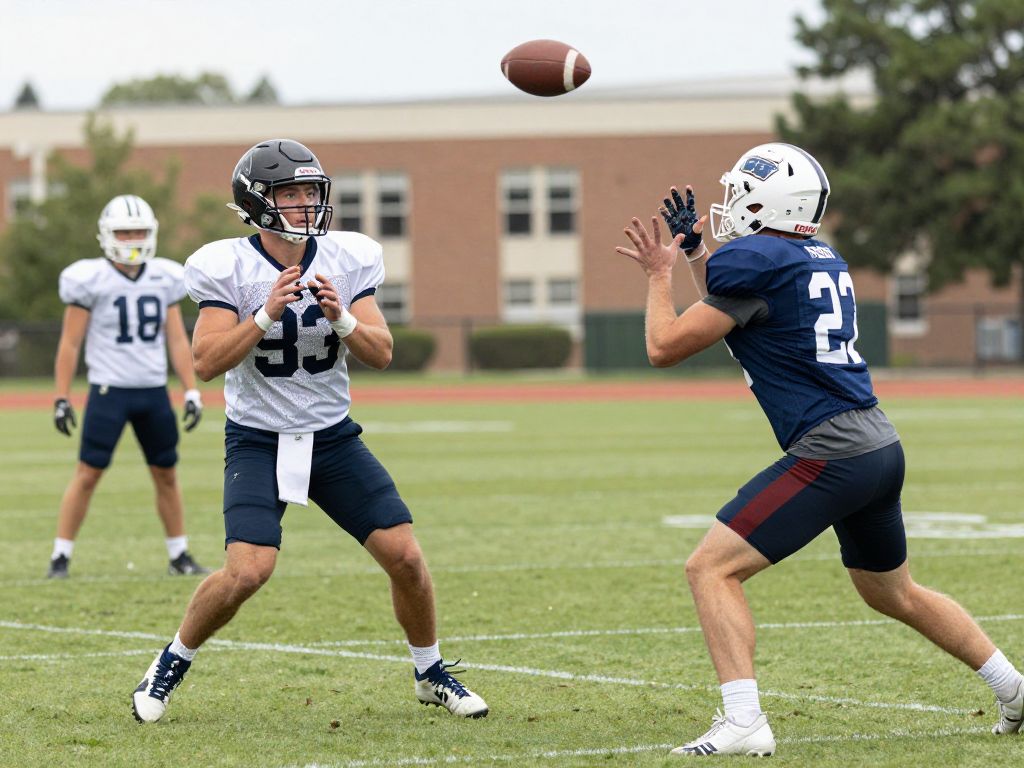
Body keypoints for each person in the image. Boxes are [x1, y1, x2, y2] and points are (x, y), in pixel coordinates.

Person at [616, 142, 1023, 757]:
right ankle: (1015, 688)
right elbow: (738, 304)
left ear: (766, 201)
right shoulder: (813, 253)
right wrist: (699, 253)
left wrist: (658, 276)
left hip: (832, 450)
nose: (729, 204)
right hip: (878, 443)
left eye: (740, 194)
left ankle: (744, 721)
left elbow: (664, 346)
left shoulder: (758, 261)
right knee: (893, 592)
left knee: (711, 568)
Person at [130, 139, 488, 724]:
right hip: (258, 438)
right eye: (289, 193)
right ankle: (170, 661)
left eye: (309, 191)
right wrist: (265, 313)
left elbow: (382, 351)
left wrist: (342, 317)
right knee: (248, 571)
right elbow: (205, 360)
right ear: (257, 201)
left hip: (331, 437)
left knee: (405, 557)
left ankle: (430, 672)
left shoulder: (347, 258)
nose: (303, 204)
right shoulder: (228, 265)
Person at [50, 194, 209, 579]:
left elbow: (175, 339)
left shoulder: (164, 276)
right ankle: (60, 556)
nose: (133, 238)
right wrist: (61, 396)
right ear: (107, 235)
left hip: (154, 391)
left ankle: (179, 554)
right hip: (109, 391)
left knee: (167, 473)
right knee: (88, 474)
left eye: (139, 230)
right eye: (124, 231)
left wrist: (190, 389)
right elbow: (70, 342)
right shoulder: (89, 278)